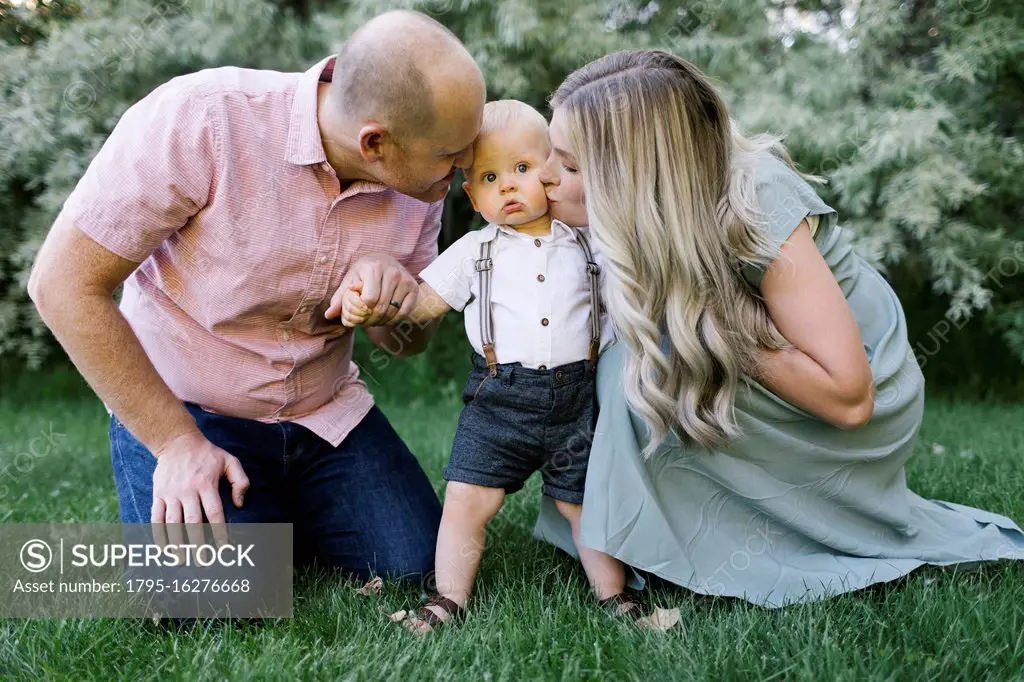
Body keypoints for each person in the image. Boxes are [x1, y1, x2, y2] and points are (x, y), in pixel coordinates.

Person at [533, 49, 1024, 608]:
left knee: (636, 365)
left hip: (853, 395)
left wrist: (702, 310)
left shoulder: (757, 200)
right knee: (632, 356)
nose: (546, 175)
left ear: (639, 176)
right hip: (778, 364)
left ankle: (708, 539)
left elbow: (848, 399)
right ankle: (644, 533)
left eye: (571, 166)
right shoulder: (656, 216)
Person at [25, 10, 485, 582]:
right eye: (452, 153)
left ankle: (276, 514)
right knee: (225, 599)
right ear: (375, 143)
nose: (467, 167)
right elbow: (61, 284)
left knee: (418, 570)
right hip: (192, 412)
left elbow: (405, 343)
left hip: (325, 416)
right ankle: (242, 509)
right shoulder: (203, 116)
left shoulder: (420, 180)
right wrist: (173, 444)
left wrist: (395, 304)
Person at [342, 100, 646, 631]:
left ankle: (614, 596)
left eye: (522, 169)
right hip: (497, 403)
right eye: (489, 176)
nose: (507, 186)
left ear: (552, 173)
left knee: (583, 504)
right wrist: (378, 302)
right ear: (473, 195)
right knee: (465, 500)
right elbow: (420, 304)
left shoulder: (590, 244)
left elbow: (629, 302)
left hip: (575, 400)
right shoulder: (473, 251)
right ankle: (448, 599)